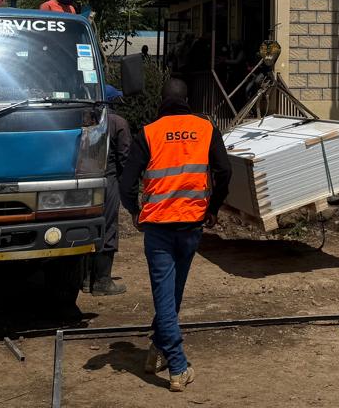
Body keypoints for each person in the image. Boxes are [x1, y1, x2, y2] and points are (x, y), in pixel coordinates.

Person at [119, 78, 232, 392]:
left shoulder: (149, 133)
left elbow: (126, 182)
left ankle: (169, 359)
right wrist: (214, 206)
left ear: (162, 101)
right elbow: (225, 171)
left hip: (158, 228)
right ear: (187, 101)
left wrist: (132, 210)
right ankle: (173, 360)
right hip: (191, 225)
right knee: (173, 293)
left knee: (165, 296)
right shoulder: (206, 129)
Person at [89, 84, 131, 296]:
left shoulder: (87, 120)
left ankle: (86, 277)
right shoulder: (118, 122)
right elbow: (125, 157)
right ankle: (102, 281)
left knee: (88, 226)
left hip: (86, 182)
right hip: (109, 180)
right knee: (108, 227)